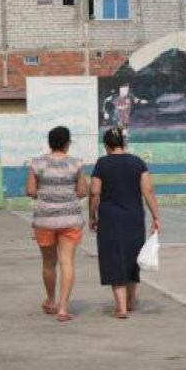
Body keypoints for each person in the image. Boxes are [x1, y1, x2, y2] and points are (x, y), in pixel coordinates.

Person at [89, 127, 162, 319]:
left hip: (110, 219)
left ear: (106, 145)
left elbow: (95, 192)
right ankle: (130, 301)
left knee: (114, 259)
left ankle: (120, 307)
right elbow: (148, 191)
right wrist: (156, 217)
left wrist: (91, 216)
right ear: (123, 143)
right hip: (134, 218)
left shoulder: (102, 164)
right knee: (131, 257)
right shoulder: (138, 162)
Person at [25, 126, 88, 322]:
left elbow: (30, 191)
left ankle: (51, 301)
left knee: (49, 263)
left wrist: (45, 193)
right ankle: (63, 309)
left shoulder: (37, 164)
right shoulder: (76, 164)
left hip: (44, 221)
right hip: (70, 220)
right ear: (67, 143)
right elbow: (83, 192)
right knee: (67, 262)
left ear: (49, 143)